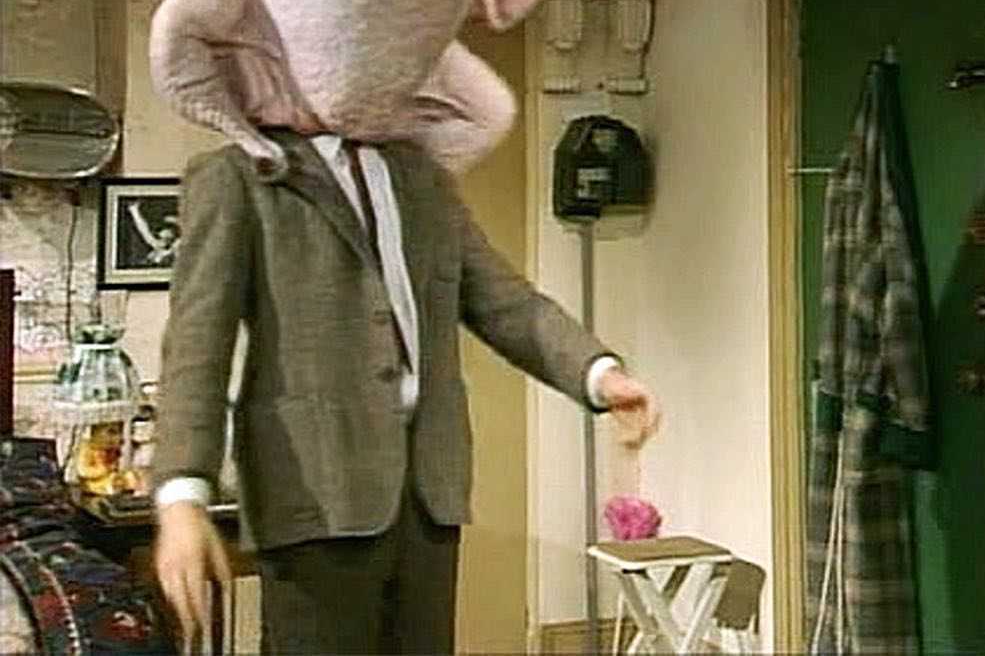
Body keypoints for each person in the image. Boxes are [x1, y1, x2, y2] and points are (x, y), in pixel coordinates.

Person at [150, 129, 660, 654]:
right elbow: (197, 343)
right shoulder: (240, 175)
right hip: (315, 495)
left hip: (425, 496)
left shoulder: (423, 178)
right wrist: (182, 494)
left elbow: (506, 301)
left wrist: (598, 374)